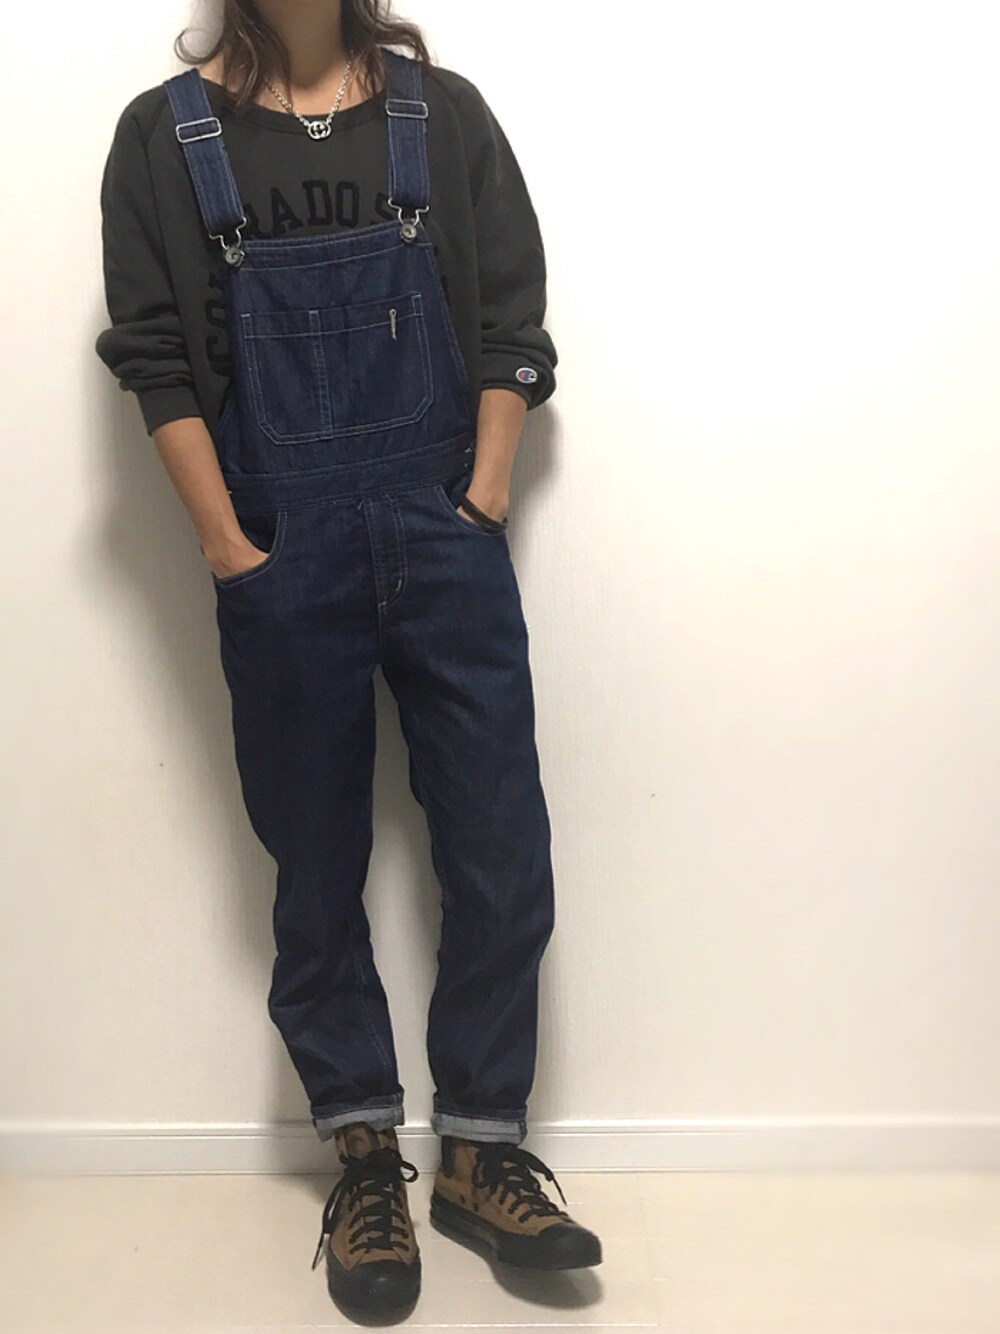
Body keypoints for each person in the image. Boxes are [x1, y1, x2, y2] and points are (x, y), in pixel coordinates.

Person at [95, 0, 602, 1318]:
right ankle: (365, 1154)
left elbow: (512, 319)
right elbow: (154, 358)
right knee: (314, 867)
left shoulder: (446, 114)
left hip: (446, 534)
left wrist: (483, 499)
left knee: (499, 846)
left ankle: (481, 1152)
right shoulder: (163, 136)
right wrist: (227, 547)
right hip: (279, 552)